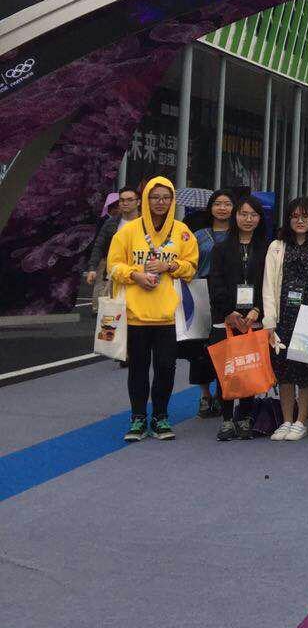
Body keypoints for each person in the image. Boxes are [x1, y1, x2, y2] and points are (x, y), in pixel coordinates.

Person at [107, 176, 198, 441]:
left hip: (168, 316)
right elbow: (114, 266)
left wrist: (169, 266)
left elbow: (191, 267)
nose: (160, 202)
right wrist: (135, 275)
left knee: (166, 368)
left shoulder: (182, 231)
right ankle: (137, 417)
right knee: (137, 368)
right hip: (135, 314)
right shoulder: (128, 231)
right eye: (155, 197)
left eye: (166, 197)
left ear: (172, 201)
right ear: (145, 200)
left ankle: (160, 416)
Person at [264, 198, 308, 441]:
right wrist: (269, 320)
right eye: (295, 216)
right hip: (283, 317)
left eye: (305, 216)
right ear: (288, 219)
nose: (300, 221)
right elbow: (268, 285)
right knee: (284, 371)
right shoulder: (277, 246)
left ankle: (301, 421)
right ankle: (286, 420)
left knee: (306, 371)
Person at [207, 195, 269, 441]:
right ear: (236, 216)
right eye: (243, 214)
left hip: (253, 316)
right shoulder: (221, 248)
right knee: (227, 368)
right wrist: (228, 312)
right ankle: (226, 418)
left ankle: (244, 416)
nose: (248, 219)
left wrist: (257, 310)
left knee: (248, 367)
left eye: (253, 215)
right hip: (226, 318)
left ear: (260, 218)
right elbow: (215, 282)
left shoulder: (266, 248)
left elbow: (268, 284)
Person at [188, 188, 234, 417]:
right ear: (211, 208)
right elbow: (190, 264)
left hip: (228, 294)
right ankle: (205, 395)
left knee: (226, 346)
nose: (222, 208)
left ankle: (222, 393)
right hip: (201, 293)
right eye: (218, 204)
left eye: (227, 204)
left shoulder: (238, 233)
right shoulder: (198, 235)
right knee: (200, 348)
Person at [86, 187, 139, 292]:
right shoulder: (110, 223)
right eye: (122, 200)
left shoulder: (146, 223)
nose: (125, 203)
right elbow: (99, 246)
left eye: (130, 200)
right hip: (113, 273)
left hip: (139, 274)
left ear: (138, 202)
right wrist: (92, 268)